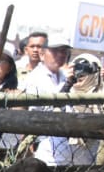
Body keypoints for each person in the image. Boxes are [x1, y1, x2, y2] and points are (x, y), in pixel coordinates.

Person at [22, 33, 87, 165]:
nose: (60, 55)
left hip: (68, 140)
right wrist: (67, 84)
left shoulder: (64, 75)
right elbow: (42, 109)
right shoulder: (35, 77)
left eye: (64, 51)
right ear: (42, 54)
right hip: (46, 140)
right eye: (55, 51)